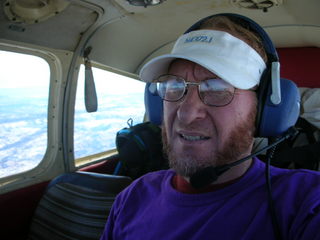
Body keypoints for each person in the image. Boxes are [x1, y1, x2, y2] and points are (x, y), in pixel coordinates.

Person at [100, 14, 320, 240]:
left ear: (263, 108)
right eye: (174, 85)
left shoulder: (306, 202)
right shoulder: (133, 197)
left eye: (216, 86)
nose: (186, 114)